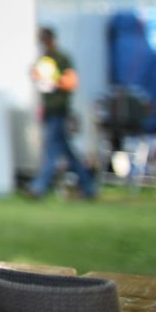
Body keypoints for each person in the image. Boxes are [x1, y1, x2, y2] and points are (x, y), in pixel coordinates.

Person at [27, 26, 97, 199]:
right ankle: (88, 187)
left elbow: (71, 82)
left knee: (51, 150)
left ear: (51, 39)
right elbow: (38, 80)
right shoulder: (43, 60)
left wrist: (53, 79)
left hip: (60, 111)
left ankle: (39, 187)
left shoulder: (62, 58)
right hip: (49, 110)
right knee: (66, 151)